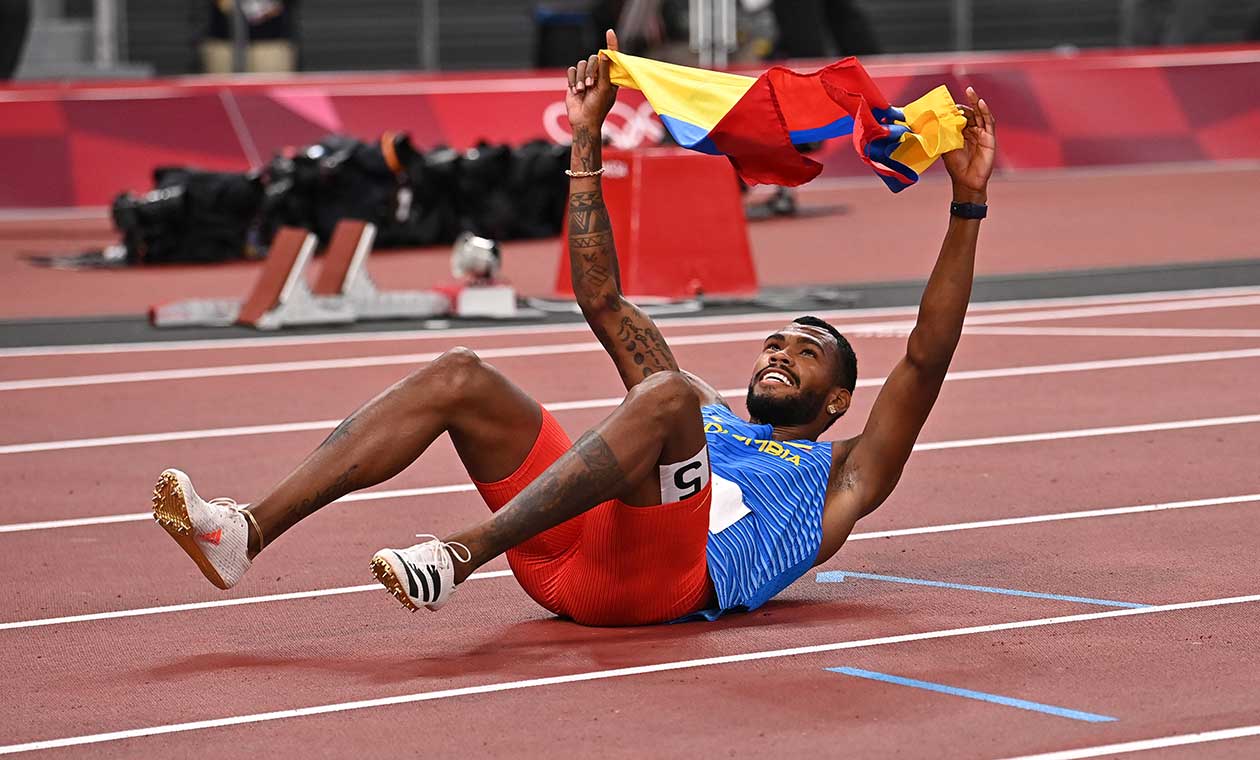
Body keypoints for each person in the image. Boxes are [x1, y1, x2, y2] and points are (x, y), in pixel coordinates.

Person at [151, 29, 996, 626]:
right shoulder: (702, 411)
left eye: (805, 353)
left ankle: (459, 554)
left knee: (665, 396)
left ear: (840, 399)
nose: (778, 353)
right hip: (566, 551)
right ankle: (243, 531)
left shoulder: (842, 473)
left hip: (656, 586)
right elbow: (605, 303)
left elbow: (926, 357)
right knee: (461, 372)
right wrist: (585, 141)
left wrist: (966, 204)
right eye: (777, 341)